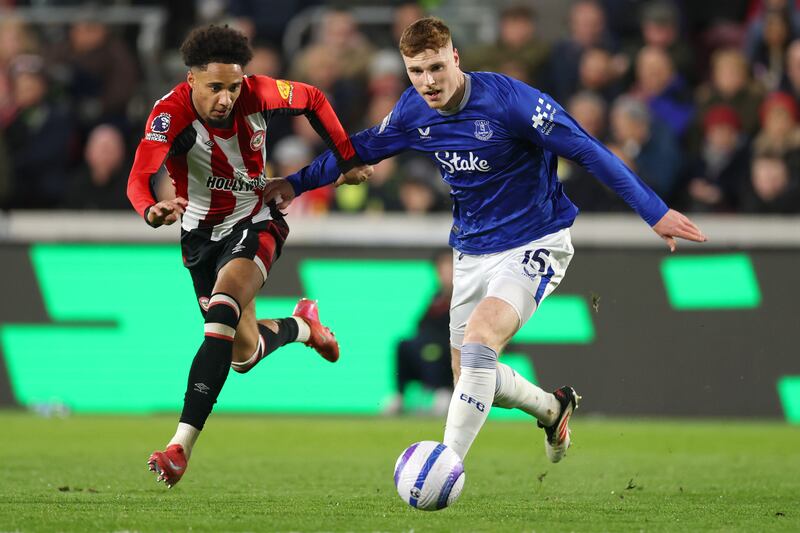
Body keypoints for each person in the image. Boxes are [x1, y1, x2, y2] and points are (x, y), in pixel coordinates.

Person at [264, 17, 706, 464]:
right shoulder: (412, 112)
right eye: (416, 72)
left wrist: (655, 211)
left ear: (455, 57)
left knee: (480, 339)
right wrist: (295, 184)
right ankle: (552, 410)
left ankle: (444, 464)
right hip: (471, 250)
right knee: (470, 378)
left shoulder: (513, 103)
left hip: (535, 240)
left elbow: (587, 149)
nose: (428, 82)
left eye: (436, 67)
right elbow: (356, 149)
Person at [126, 24, 372, 488]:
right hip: (200, 237)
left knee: (220, 314)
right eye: (215, 87)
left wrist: (346, 159)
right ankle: (304, 327)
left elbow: (314, 99)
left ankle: (180, 447)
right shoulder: (169, 114)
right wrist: (150, 208)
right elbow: (139, 176)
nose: (225, 98)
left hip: (257, 219)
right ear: (191, 80)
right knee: (242, 354)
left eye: (233, 86)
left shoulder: (261, 92)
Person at [383, 249, 454, 417]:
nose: (445, 275)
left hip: (453, 351)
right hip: (431, 347)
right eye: (441, 270)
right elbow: (420, 324)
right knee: (404, 345)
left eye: (449, 269)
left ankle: (443, 392)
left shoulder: (466, 297)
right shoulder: (436, 299)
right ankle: (399, 395)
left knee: (433, 349)